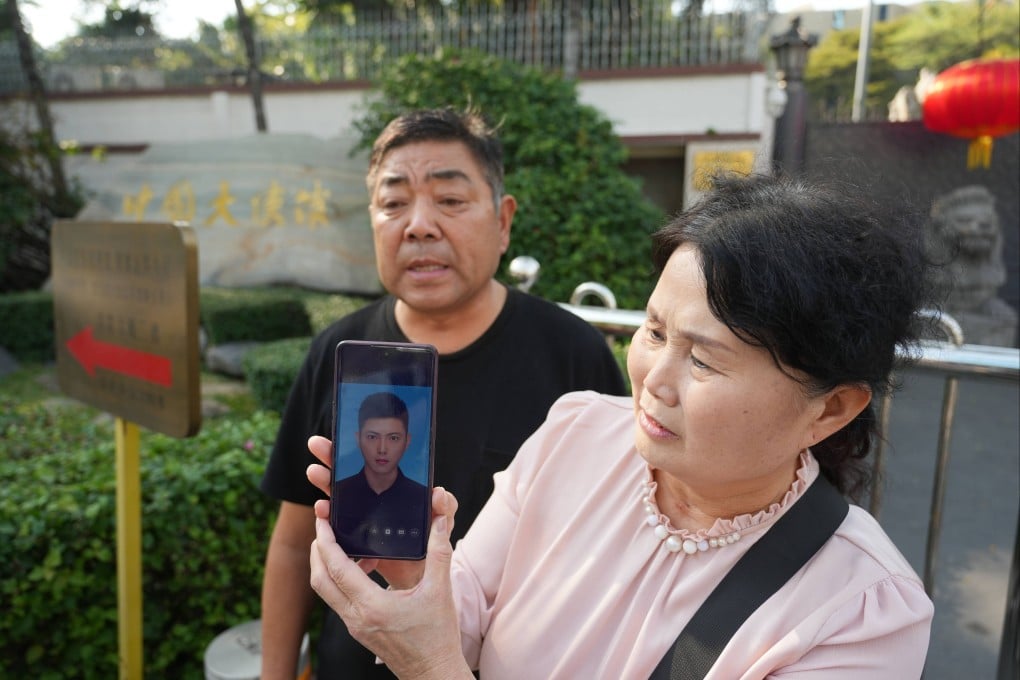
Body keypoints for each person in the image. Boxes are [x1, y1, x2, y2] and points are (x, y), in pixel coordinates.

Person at [305, 173, 936, 678]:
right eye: (655, 331)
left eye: (706, 360)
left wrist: (430, 666)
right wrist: (418, 585)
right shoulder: (576, 435)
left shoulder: (860, 616)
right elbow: (468, 606)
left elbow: (442, 658)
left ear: (831, 408)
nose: (652, 378)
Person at [258, 107, 628, 679]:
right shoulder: (339, 352)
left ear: (503, 221)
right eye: (393, 203)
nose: (419, 225)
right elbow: (291, 544)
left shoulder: (574, 356)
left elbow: (614, 554)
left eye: (450, 201)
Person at [332, 391, 428, 557]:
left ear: (407, 441)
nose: (382, 449)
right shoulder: (339, 492)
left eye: (393, 438)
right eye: (372, 437)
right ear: (358, 439)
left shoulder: (423, 497)